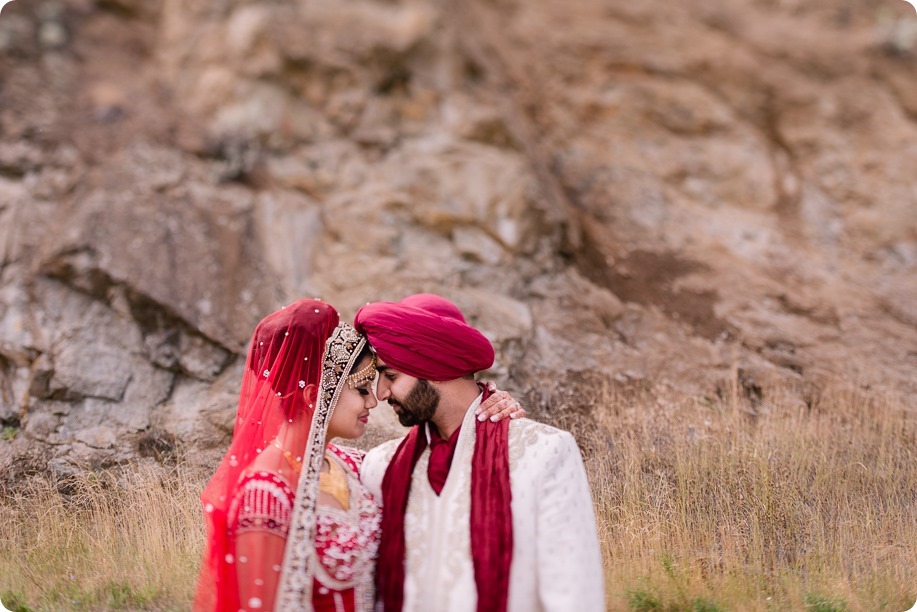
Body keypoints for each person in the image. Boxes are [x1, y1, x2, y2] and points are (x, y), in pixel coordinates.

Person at [194, 298, 522, 612]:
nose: (373, 401)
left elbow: (441, 462)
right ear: (314, 395)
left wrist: (485, 408)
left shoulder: (355, 466)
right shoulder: (265, 493)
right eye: (362, 388)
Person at [355, 294, 605, 612]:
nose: (381, 393)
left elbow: (574, 596)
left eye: (391, 376)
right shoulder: (380, 466)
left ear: (435, 368)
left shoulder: (543, 453)